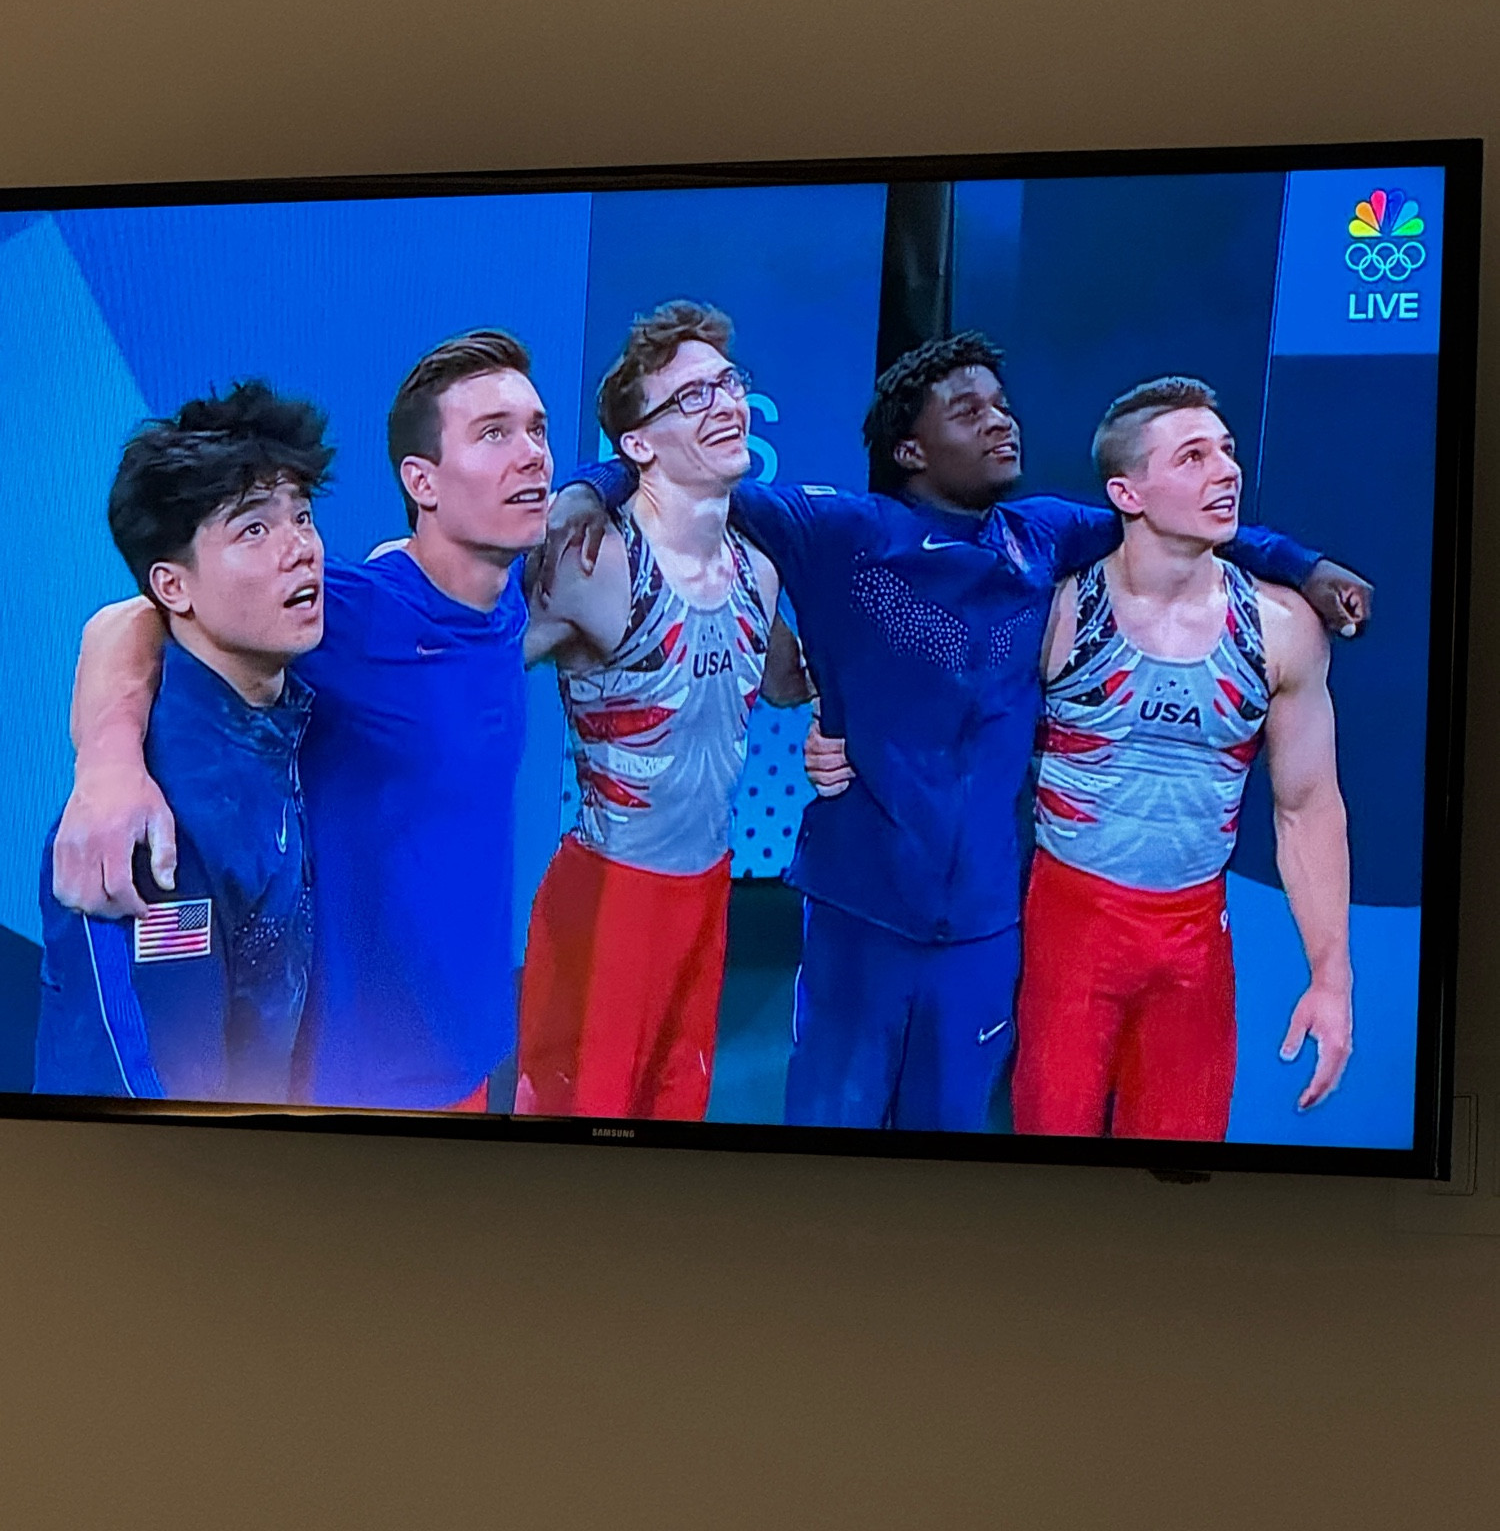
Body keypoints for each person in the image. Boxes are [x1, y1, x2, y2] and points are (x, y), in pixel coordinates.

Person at [549, 332, 1371, 1134]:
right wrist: (587, 491)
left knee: (948, 1151)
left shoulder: (1044, 537)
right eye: (968, 410)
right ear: (911, 451)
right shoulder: (838, 534)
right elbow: (687, 477)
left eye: (1002, 405)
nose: (999, 420)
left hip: (982, 927)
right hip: (859, 912)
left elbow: (1170, 519)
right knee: (826, 1142)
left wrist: (1301, 564)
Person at [51, 331, 551, 1112]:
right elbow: (129, 618)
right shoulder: (350, 616)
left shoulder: (506, 596)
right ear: (421, 480)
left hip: (465, 1062)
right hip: (339, 1104)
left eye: (303, 518)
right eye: (493, 433)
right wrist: (108, 761)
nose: (300, 551)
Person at [1008, 377, 1354, 1139]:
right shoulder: (1057, 613)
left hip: (1193, 946)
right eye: (1192, 458)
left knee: (1177, 1183)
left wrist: (1332, 978)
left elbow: (1306, 810)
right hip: (1071, 931)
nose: (1225, 471)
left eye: (1226, 452)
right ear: (1127, 493)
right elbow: (960, 728)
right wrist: (836, 735)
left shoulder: (1283, 629)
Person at [517, 301, 803, 1121]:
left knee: (670, 1134)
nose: (725, 405)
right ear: (637, 445)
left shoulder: (759, 571)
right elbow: (474, 668)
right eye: (693, 397)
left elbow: (786, 684)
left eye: (728, 385)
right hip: (607, 903)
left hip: (704, 900)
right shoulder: (592, 562)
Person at [34, 383, 329, 1105]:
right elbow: (156, 1100)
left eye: (302, 515)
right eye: (253, 530)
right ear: (174, 586)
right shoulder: (155, 824)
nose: (301, 550)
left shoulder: (279, 675)